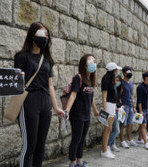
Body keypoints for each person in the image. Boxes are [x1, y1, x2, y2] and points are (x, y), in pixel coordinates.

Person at [14, 22, 64, 167]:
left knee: (41, 146)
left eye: (47, 35)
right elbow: (14, 84)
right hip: (28, 101)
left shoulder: (47, 59)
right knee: (30, 146)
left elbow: (50, 85)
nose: (45, 38)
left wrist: (56, 107)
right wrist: (19, 78)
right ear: (32, 35)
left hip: (45, 102)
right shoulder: (22, 57)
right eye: (42, 34)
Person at [64, 54, 99, 167]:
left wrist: (95, 110)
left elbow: (91, 97)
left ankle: (80, 160)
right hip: (77, 114)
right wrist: (67, 111)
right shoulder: (78, 78)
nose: (93, 63)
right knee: (76, 138)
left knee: (83, 138)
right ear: (84, 64)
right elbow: (73, 95)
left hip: (86, 114)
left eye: (94, 60)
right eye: (90, 61)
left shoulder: (91, 79)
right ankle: (73, 162)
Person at [101, 62, 122, 159]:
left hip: (113, 106)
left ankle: (106, 148)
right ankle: (104, 150)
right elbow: (104, 97)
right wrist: (105, 110)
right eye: (116, 70)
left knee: (109, 129)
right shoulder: (106, 80)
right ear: (113, 70)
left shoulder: (112, 81)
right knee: (107, 129)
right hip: (108, 106)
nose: (117, 71)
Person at [119, 66, 139, 148]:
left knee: (130, 124)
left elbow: (132, 94)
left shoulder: (131, 83)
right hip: (125, 106)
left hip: (131, 106)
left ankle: (129, 139)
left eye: (130, 71)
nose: (130, 73)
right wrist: (121, 105)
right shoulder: (121, 83)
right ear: (124, 73)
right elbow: (119, 95)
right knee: (122, 124)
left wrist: (134, 107)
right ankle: (122, 140)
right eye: (128, 72)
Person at [136, 72, 148, 150]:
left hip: (146, 109)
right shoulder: (140, 87)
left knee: (141, 125)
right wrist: (140, 111)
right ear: (145, 77)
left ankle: (140, 139)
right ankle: (146, 142)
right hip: (141, 109)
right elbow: (139, 100)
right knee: (144, 125)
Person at [107, 74, 122, 153]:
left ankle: (112, 144)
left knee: (114, 129)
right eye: (116, 80)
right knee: (116, 130)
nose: (117, 82)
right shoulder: (111, 89)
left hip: (118, 111)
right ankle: (107, 145)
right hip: (112, 111)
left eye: (119, 80)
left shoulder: (118, 90)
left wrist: (121, 106)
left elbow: (119, 101)